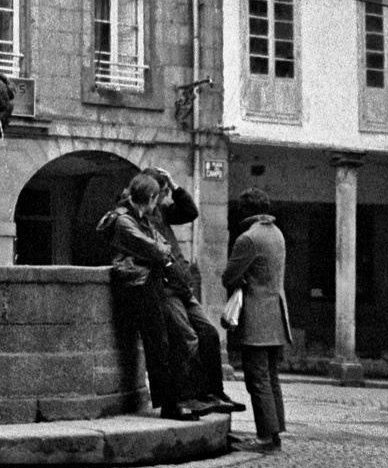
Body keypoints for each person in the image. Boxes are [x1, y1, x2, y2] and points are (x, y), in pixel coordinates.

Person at [144, 166, 246, 417]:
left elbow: (190, 211)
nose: (166, 197)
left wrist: (176, 186)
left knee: (209, 333)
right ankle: (189, 397)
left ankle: (213, 392)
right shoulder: (140, 216)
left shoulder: (161, 213)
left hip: (181, 285)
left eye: (167, 193)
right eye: (163, 193)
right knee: (185, 337)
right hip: (166, 287)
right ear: (152, 193)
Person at [99, 173, 199, 421]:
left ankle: (175, 400)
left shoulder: (138, 218)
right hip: (139, 285)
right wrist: (160, 251)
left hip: (149, 283)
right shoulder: (124, 221)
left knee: (166, 341)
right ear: (151, 197)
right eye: (157, 198)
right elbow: (155, 248)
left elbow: (161, 244)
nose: (158, 204)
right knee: (158, 343)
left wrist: (160, 250)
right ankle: (169, 404)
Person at [221, 187, 291, 451]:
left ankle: (264, 438)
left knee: (257, 378)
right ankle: (274, 433)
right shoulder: (277, 234)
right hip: (276, 314)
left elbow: (229, 276)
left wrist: (241, 281)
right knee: (271, 376)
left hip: (257, 317)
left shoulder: (247, 238)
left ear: (246, 211)